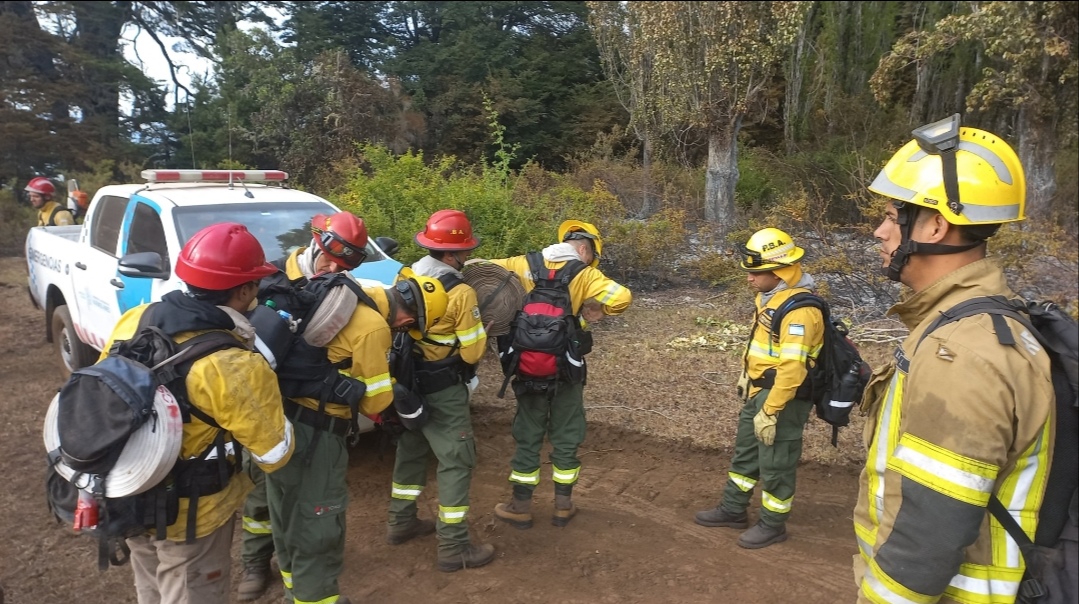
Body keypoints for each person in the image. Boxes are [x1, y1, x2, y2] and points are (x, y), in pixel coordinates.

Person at [852, 115, 1054, 602]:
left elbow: (929, 537)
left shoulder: (961, 353)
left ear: (937, 225)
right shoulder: (976, 325)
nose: (880, 232)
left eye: (890, 216)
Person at [101, 222, 295, 604]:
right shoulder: (234, 363)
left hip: (129, 488)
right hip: (191, 512)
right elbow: (274, 454)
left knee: (152, 585)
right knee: (190, 588)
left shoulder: (137, 319)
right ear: (245, 291)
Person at [264, 260, 448, 604]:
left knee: (287, 508)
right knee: (321, 516)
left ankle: (295, 588)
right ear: (407, 321)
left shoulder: (354, 293)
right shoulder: (373, 328)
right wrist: (396, 388)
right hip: (317, 432)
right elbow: (374, 403)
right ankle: (316, 597)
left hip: (283, 417)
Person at [236, 211, 369, 602]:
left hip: (303, 412)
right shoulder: (268, 280)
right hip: (260, 407)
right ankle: (255, 561)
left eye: (344, 266)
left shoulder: (343, 291)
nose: (332, 270)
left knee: (290, 498)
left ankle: (297, 578)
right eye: (329, 260)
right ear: (315, 241)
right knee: (261, 493)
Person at [490, 220, 632, 529]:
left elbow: (478, 271)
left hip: (526, 366)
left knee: (528, 434)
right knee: (566, 433)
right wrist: (600, 310)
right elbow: (622, 297)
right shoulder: (585, 274)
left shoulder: (521, 263)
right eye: (591, 255)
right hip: (566, 368)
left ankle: (521, 506)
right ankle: (563, 506)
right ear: (584, 248)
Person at [693, 228, 824, 549]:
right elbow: (762, 344)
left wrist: (771, 409)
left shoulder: (800, 311)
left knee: (777, 461)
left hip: (783, 397)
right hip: (759, 390)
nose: (749, 278)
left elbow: (793, 369)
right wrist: (747, 375)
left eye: (755, 272)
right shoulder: (771, 298)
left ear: (778, 271)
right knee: (747, 452)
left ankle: (773, 523)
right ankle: (733, 509)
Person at [385, 209, 495, 572]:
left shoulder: (409, 275)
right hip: (444, 387)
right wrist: (483, 330)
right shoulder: (461, 292)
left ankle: (401, 522)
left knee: (412, 449)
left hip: (409, 384)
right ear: (450, 255)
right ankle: (453, 547)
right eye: (463, 250)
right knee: (457, 460)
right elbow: (472, 351)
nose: (466, 256)